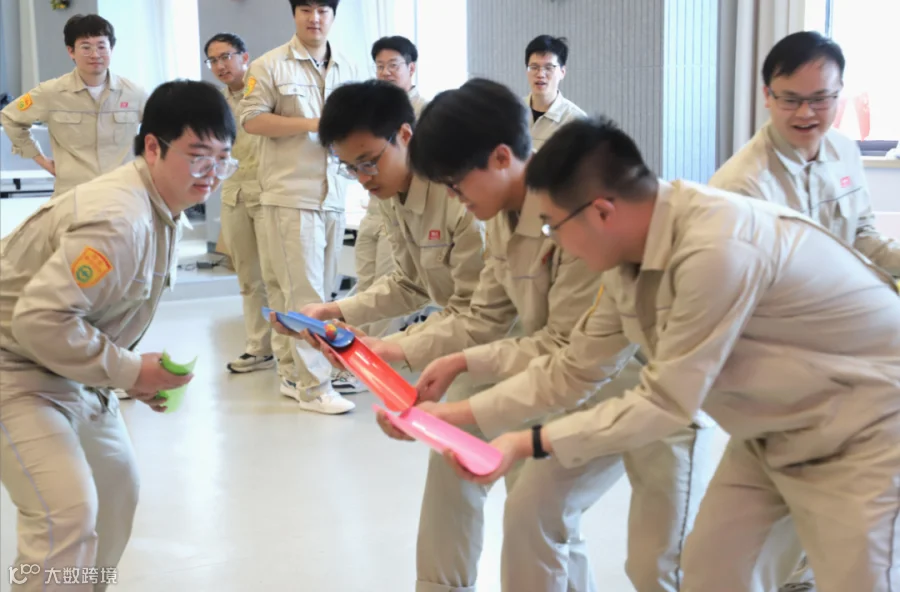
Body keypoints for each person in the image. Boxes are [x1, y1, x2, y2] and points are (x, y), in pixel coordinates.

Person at [428, 116, 900, 592]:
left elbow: (665, 402)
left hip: (867, 427)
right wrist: (455, 416)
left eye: (553, 226)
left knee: (857, 581)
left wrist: (530, 441)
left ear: (602, 212)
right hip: (770, 430)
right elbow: (575, 367)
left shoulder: (715, 249)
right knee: (713, 575)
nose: (551, 241)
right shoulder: (624, 259)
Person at [307, 79, 708, 592]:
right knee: (531, 511)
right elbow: (486, 318)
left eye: (456, 185)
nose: (453, 198)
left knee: (658, 565)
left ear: (500, 157)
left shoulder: (580, 214)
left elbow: (571, 355)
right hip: (553, 368)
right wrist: (425, 359)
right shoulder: (499, 215)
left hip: (646, 390)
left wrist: (458, 395)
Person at [0, 80, 237, 592]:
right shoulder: (120, 219)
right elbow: (38, 321)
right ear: (153, 146)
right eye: (199, 156)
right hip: (12, 365)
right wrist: (129, 371)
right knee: (65, 513)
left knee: (116, 491)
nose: (212, 174)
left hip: (68, 364)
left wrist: (131, 375)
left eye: (223, 160)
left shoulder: (161, 208)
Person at [239, 0, 363, 413]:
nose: (315, 18)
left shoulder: (348, 67)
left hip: (333, 194)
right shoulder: (270, 65)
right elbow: (252, 120)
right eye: (306, 9)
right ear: (294, 14)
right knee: (306, 292)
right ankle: (315, 387)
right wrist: (313, 124)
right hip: (291, 193)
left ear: (333, 16)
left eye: (323, 10)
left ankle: (292, 374)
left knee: (311, 291)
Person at [297, 80, 484, 344]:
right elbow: (410, 285)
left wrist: (387, 347)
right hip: (466, 336)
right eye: (350, 168)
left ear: (405, 136)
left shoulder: (459, 196)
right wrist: (332, 310)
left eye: (369, 162)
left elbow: (477, 310)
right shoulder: (391, 191)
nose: (363, 179)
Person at [712, 31, 900, 277]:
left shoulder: (844, 150)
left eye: (820, 99)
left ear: (838, 93)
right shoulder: (740, 187)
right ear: (768, 96)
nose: (805, 113)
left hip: (843, 290)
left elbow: (860, 236)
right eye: (790, 100)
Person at [0, 14, 147, 197]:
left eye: (102, 46)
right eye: (86, 47)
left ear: (112, 49)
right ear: (71, 51)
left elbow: (162, 132)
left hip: (123, 195)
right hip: (72, 197)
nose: (95, 54)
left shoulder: (135, 93)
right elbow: (9, 117)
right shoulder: (51, 92)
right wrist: (42, 160)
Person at [204, 32, 276, 375]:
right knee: (248, 276)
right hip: (233, 193)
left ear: (245, 57)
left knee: (277, 276)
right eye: (213, 60)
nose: (221, 65)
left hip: (268, 192)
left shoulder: (264, 90)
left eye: (226, 56)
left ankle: (291, 349)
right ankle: (259, 347)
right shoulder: (215, 103)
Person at [352, 36, 429, 336]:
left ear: (411, 68)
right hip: (374, 209)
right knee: (364, 287)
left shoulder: (425, 111)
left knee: (389, 291)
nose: (385, 72)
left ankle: (379, 356)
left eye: (393, 65)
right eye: (380, 66)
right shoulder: (373, 114)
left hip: (404, 212)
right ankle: (355, 356)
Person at [524, 35, 585, 150]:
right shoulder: (512, 113)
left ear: (562, 72)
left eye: (549, 68)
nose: (540, 74)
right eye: (534, 67)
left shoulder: (577, 122)